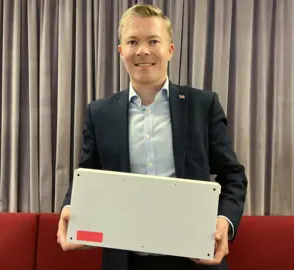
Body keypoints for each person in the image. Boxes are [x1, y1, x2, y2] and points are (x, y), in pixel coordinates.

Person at [56, 4, 248, 270]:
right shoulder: (99, 113)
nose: (143, 50)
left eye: (153, 41)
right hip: (125, 260)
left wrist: (224, 222)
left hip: (194, 259)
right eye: (133, 41)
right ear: (121, 51)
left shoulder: (203, 106)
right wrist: (70, 208)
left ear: (170, 49)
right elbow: (87, 175)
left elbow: (233, 175)